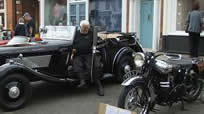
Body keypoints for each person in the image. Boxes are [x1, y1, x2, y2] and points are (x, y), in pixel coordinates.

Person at [73, 20, 104, 96]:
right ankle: (82, 81)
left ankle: (99, 87)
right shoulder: (75, 34)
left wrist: (96, 44)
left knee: (92, 67)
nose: (85, 30)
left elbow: (98, 40)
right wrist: (73, 48)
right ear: (80, 27)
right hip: (78, 54)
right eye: (84, 28)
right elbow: (72, 42)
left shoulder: (91, 33)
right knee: (77, 64)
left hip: (89, 54)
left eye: (87, 28)